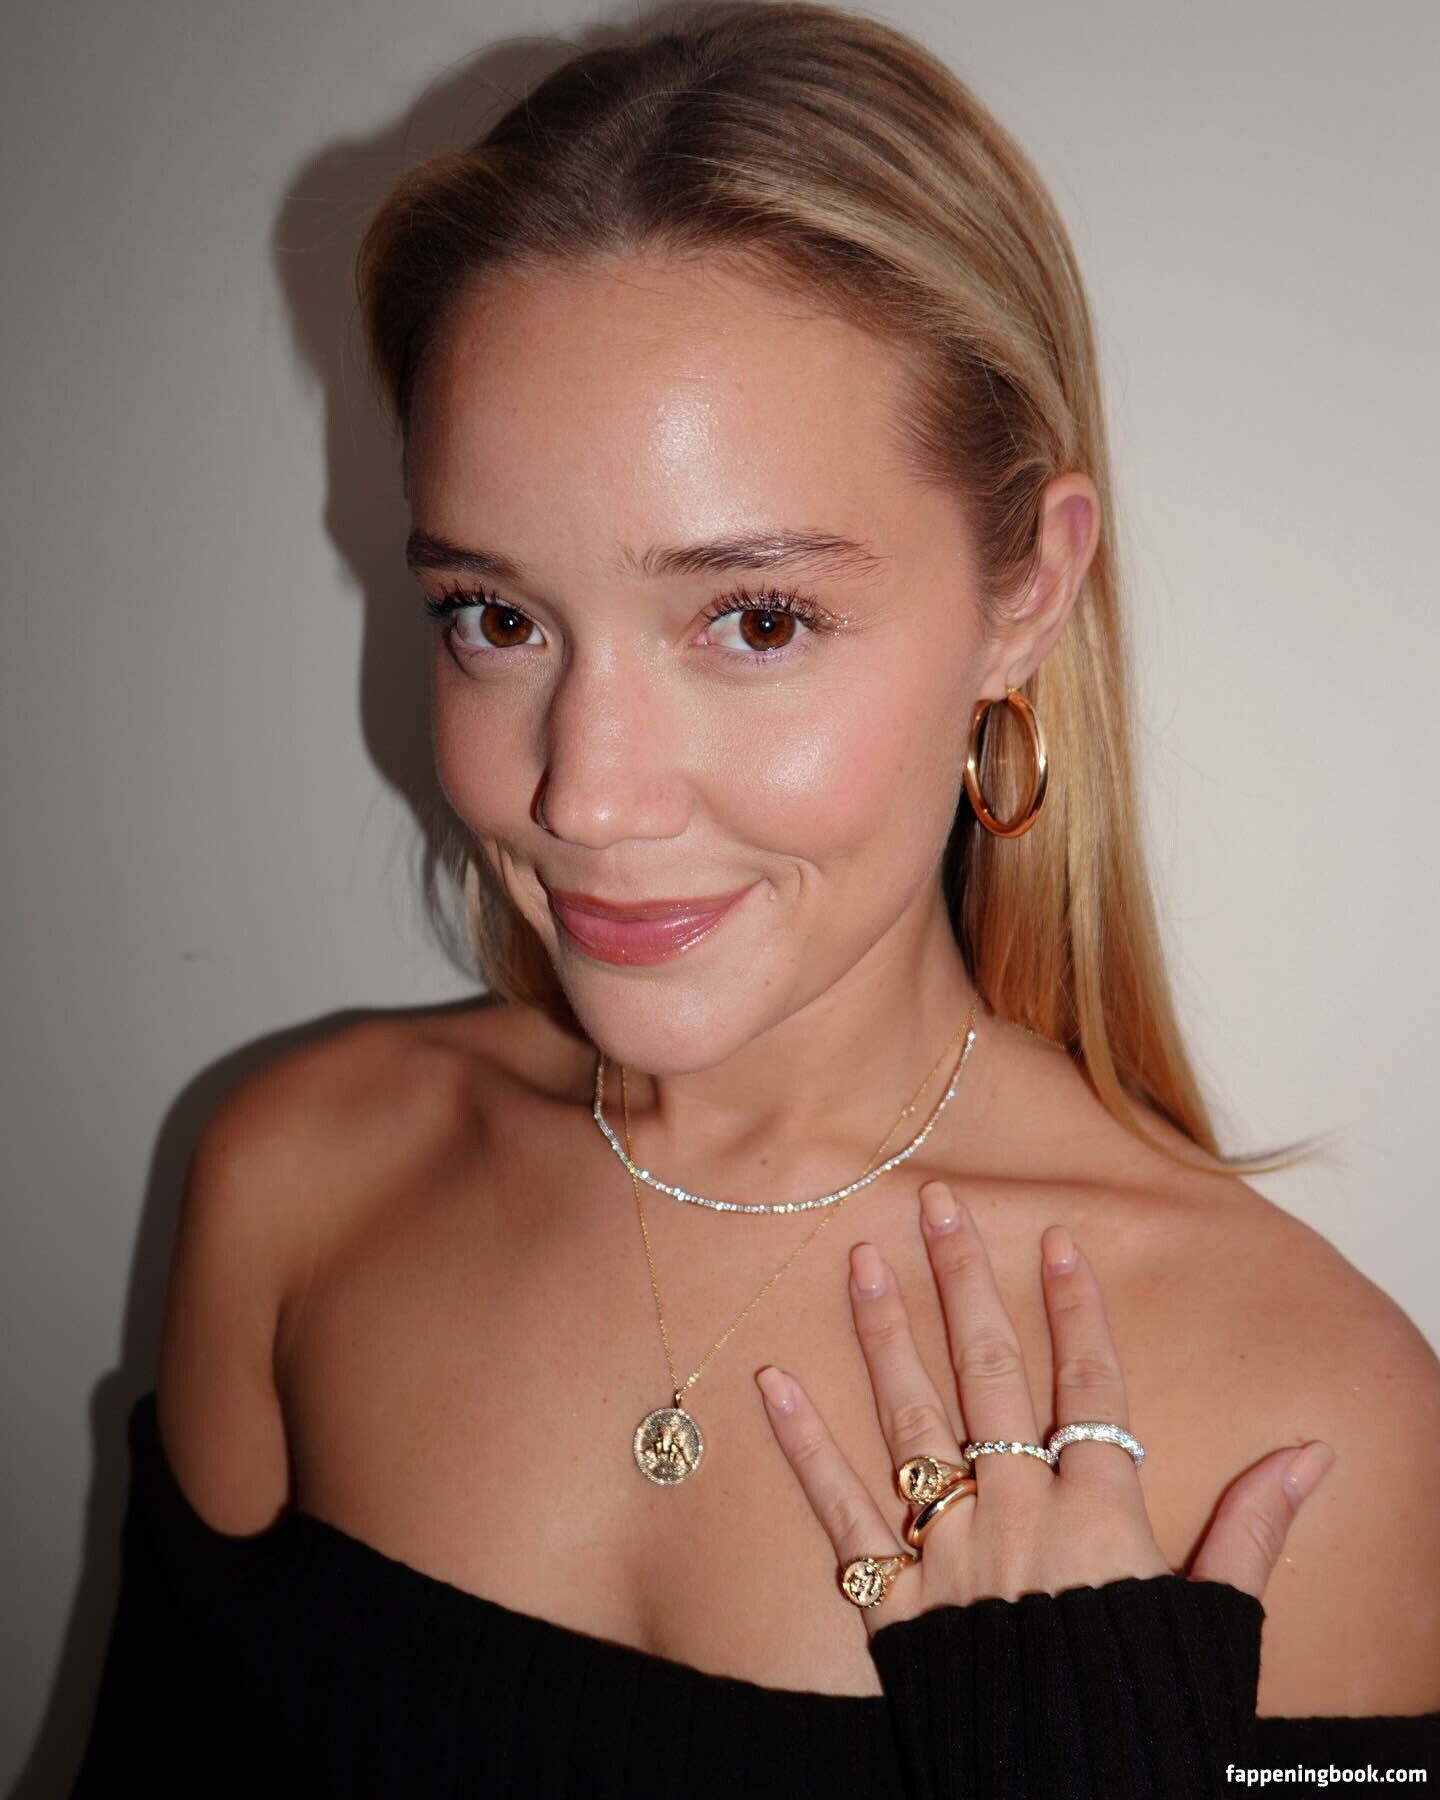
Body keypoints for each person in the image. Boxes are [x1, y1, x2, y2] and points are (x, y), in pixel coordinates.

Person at [73, 3, 1440, 1793]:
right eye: (496, 615)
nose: (584, 793)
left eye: (757, 618)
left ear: (1027, 592)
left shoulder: (1309, 1431)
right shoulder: (298, 1187)